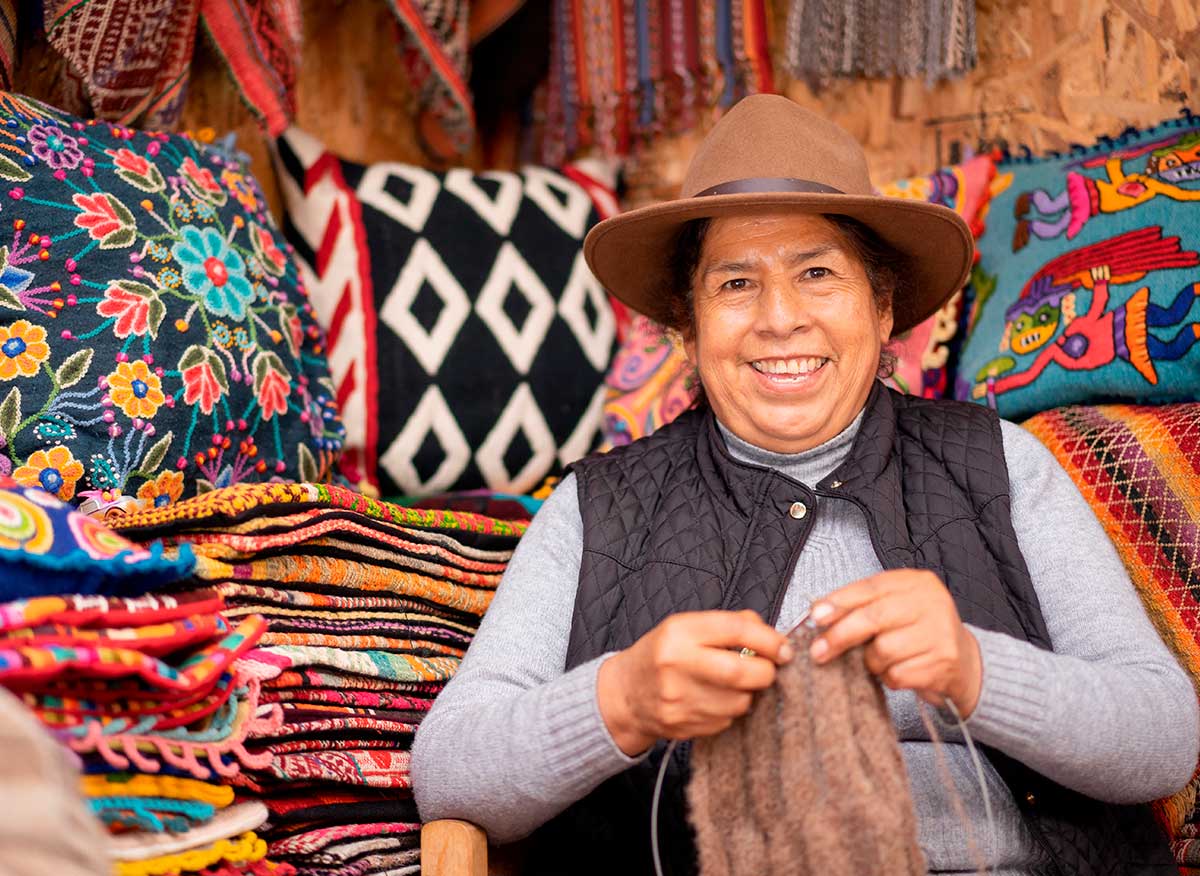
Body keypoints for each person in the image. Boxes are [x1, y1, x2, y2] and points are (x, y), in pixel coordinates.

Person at [411, 95, 1199, 876]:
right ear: (687, 328)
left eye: (817, 272)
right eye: (735, 284)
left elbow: (1164, 739)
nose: (780, 318)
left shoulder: (1000, 465)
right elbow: (449, 770)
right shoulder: (598, 509)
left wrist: (974, 669)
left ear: (883, 307)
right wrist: (620, 700)